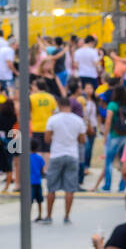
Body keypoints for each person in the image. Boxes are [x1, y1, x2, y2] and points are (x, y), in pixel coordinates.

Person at [42, 93, 85, 224]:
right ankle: (66, 216)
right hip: (72, 154)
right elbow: (82, 140)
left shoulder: (53, 119)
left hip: (56, 154)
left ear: (59, 105)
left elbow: (47, 139)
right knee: (70, 188)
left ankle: (49, 216)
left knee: (51, 188)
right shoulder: (78, 120)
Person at [94, 84, 126, 193]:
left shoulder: (112, 105)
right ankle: (122, 185)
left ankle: (107, 186)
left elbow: (108, 121)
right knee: (123, 161)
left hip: (115, 135)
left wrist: (105, 136)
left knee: (109, 161)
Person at [28, 137, 46, 221]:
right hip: (37, 182)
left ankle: (28, 215)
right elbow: (42, 170)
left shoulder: (26, 158)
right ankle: (40, 215)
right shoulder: (39, 158)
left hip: (29, 182)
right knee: (39, 200)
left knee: (29, 201)